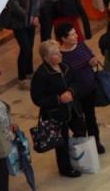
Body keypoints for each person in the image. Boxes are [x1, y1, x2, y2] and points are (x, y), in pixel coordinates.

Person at [31, 40, 84, 178]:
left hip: (73, 108)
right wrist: (58, 99)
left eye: (59, 52)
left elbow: (76, 82)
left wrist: (71, 92)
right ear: (46, 58)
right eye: (55, 54)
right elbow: (38, 99)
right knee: (62, 141)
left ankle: (82, 157)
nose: (60, 55)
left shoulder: (65, 66)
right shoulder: (41, 75)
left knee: (80, 130)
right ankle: (66, 168)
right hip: (57, 113)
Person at [56, 24, 104, 154]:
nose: (76, 35)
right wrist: (86, 64)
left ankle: (96, 142)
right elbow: (67, 73)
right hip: (75, 93)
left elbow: (90, 57)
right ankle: (83, 146)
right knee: (78, 121)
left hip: (89, 88)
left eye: (75, 33)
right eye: (72, 34)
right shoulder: (60, 55)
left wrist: (93, 61)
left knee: (91, 118)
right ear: (63, 39)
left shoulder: (81, 45)